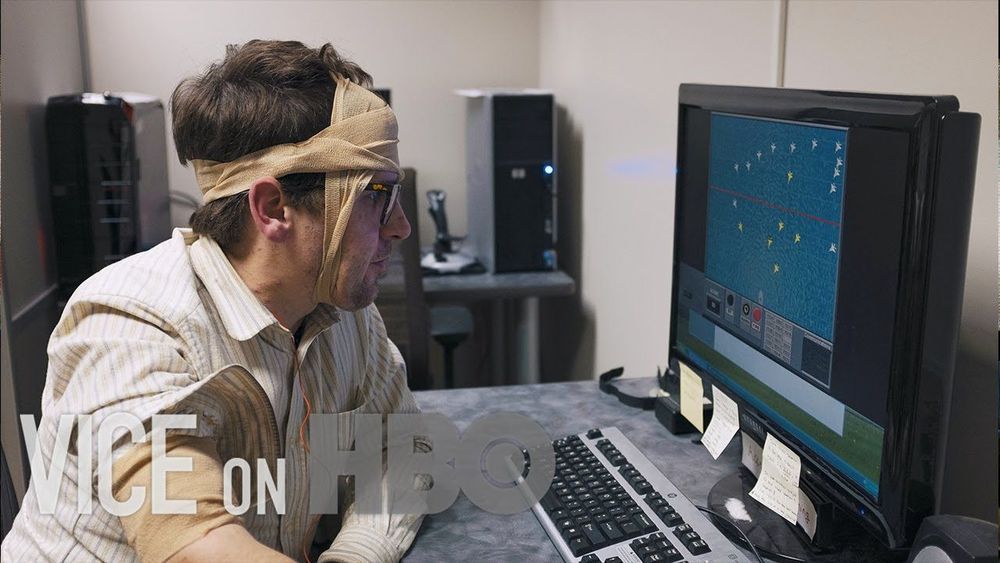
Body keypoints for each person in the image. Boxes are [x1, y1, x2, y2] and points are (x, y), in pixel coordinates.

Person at [2, 39, 425, 562]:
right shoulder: (127, 322)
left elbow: (400, 450)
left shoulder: (341, 314)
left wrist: (354, 556)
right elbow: (195, 542)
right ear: (273, 207)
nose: (401, 227)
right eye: (376, 195)